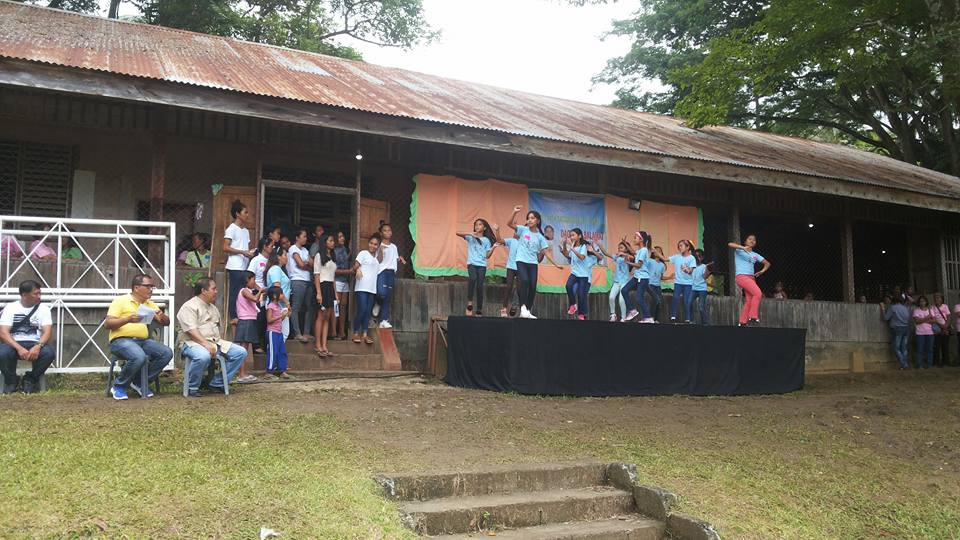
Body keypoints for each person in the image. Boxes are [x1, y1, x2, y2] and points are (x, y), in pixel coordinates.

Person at [104, 273, 173, 400]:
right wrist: (127, 319)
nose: (151, 289)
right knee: (138, 356)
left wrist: (162, 316)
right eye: (147, 286)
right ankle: (119, 386)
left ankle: (139, 382)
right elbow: (108, 324)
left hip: (143, 341)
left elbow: (166, 323)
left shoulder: (149, 304)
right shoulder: (120, 301)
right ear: (136, 288)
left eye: (152, 287)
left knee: (166, 353)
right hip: (121, 341)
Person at [177, 277, 247, 397]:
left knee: (240, 352)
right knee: (203, 356)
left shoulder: (213, 308)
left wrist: (214, 344)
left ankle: (217, 383)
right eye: (213, 289)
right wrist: (206, 344)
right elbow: (190, 330)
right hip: (191, 343)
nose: (216, 291)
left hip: (214, 342)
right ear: (204, 291)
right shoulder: (189, 306)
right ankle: (192, 386)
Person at [0, 280, 54, 394]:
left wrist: (38, 346)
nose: (39, 296)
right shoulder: (10, 308)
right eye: (36, 293)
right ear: (24, 295)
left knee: (49, 353)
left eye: (40, 293)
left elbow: (47, 332)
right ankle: (11, 381)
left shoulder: (44, 309)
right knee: (3, 353)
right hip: (14, 343)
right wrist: (19, 348)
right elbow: (3, 333)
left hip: (34, 343)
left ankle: (30, 380)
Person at [507, 205, 555, 319]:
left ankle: (527, 310)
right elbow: (509, 224)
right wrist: (514, 212)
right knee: (525, 280)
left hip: (533, 263)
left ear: (538, 221)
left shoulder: (540, 237)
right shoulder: (523, 230)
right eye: (528, 218)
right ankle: (523, 307)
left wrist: (555, 264)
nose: (529, 220)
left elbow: (546, 251)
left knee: (533, 286)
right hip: (521, 260)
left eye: (532, 218)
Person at [456, 218, 499, 317]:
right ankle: (470, 304)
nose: (477, 226)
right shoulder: (470, 237)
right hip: (471, 263)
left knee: (480, 285)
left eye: (480, 224)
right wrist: (470, 233)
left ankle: (479, 309)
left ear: (484, 228)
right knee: (473, 278)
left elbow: (487, 256)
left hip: (482, 265)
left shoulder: (487, 240)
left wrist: (493, 247)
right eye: (476, 225)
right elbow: (457, 233)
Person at [223, 200, 255, 323]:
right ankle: (234, 316)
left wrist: (249, 252)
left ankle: (242, 314)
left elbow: (244, 248)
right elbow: (225, 247)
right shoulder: (231, 229)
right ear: (237, 214)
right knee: (235, 291)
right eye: (245, 212)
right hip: (235, 265)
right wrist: (243, 252)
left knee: (243, 291)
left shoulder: (246, 231)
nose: (247, 215)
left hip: (244, 265)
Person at [728, 234, 771, 326]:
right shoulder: (739, 250)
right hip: (742, 276)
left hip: (751, 278)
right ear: (745, 241)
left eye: (754, 240)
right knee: (758, 293)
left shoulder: (755, 255)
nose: (752, 241)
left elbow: (767, 263)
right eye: (750, 239)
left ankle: (742, 322)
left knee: (749, 299)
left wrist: (762, 271)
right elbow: (730, 244)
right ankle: (753, 316)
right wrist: (742, 247)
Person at [560, 228, 598, 320]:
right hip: (574, 273)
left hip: (583, 275)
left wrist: (573, 249)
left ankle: (581, 314)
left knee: (581, 294)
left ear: (579, 236)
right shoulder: (573, 246)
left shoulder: (583, 246)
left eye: (573, 235)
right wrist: (565, 244)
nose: (571, 237)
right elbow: (566, 254)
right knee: (568, 286)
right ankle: (573, 304)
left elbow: (582, 257)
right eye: (570, 236)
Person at [375, 223, 407, 328]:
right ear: (381, 233)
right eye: (385, 230)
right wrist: (381, 251)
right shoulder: (378, 245)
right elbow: (377, 260)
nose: (388, 232)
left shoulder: (394, 247)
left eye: (389, 230)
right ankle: (378, 303)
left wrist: (400, 258)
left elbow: (395, 257)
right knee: (381, 293)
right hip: (382, 272)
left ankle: (383, 321)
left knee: (388, 297)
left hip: (391, 273)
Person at [246, 235, 274, 354]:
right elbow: (250, 277)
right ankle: (256, 345)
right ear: (264, 247)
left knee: (267, 319)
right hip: (258, 293)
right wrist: (260, 289)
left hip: (268, 293)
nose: (273, 248)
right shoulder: (256, 260)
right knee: (259, 318)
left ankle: (265, 344)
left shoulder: (271, 261)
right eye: (271, 246)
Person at [233, 271, 262, 383]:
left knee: (245, 348)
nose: (254, 282)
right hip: (246, 321)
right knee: (243, 349)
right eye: (253, 280)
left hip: (249, 320)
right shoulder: (244, 290)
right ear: (247, 280)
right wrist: (259, 290)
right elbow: (255, 299)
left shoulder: (247, 290)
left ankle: (243, 373)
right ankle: (241, 374)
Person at [286, 228, 314, 343]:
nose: (306, 238)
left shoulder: (305, 250)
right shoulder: (293, 248)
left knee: (310, 307)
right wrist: (306, 264)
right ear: (297, 238)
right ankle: (297, 333)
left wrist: (306, 264)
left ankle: (306, 332)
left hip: (307, 280)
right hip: (297, 280)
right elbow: (301, 264)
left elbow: (311, 264)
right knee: (296, 307)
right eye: (304, 236)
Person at [621, 231, 655, 324]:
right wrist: (624, 243)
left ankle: (648, 317)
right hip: (637, 277)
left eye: (635, 237)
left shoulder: (644, 250)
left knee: (639, 297)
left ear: (641, 240)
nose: (634, 239)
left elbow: (639, 265)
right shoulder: (640, 250)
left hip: (642, 278)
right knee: (624, 290)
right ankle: (632, 310)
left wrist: (628, 263)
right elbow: (632, 252)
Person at [353, 235, 381, 344]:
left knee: (368, 312)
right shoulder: (363, 253)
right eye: (371, 243)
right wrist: (358, 269)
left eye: (375, 244)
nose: (373, 246)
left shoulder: (376, 259)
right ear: (368, 243)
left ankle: (365, 334)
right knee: (362, 309)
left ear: (378, 246)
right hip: (361, 287)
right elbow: (355, 266)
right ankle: (355, 332)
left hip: (372, 289)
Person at [313, 234, 338, 357]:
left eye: (333, 241)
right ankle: (318, 344)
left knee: (327, 316)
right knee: (321, 316)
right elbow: (317, 275)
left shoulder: (332, 256)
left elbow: (333, 277)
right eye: (330, 240)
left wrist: (336, 294)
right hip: (322, 286)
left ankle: (324, 345)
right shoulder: (319, 255)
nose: (333, 242)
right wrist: (318, 293)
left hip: (330, 287)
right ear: (325, 242)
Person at [597, 241, 631, 322]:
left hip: (624, 282)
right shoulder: (616, 257)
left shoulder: (628, 257)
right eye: (619, 248)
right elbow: (605, 253)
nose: (619, 249)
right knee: (611, 297)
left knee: (621, 300)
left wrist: (624, 254)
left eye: (621, 248)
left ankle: (623, 317)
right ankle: (613, 314)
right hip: (616, 281)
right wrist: (600, 244)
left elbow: (629, 257)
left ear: (626, 249)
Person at [668, 239, 698, 323]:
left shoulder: (691, 258)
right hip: (678, 282)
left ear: (688, 247)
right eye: (679, 246)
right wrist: (656, 252)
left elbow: (691, 271)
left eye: (681, 245)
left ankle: (688, 318)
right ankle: (673, 316)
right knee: (675, 298)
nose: (679, 247)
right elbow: (666, 259)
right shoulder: (677, 257)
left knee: (686, 300)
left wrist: (686, 270)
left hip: (688, 283)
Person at [264, 286, 291, 379]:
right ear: (275, 296)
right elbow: (269, 320)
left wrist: (285, 314)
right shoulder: (270, 306)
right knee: (273, 351)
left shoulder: (278, 306)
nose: (283, 295)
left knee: (282, 351)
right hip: (272, 332)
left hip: (279, 332)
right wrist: (280, 316)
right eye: (281, 293)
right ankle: (269, 371)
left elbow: (280, 319)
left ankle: (282, 370)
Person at [266, 246, 292, 340]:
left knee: (283, 332)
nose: (287, 257)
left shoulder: (279, 269)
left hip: (280, 305)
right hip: (278, 306)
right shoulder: (276, 269)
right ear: (278, 257)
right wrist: (287, 303)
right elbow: (277, 288)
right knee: (281, 332)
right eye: (285, 255)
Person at [881, 295, 911, 369]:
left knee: (896, 348)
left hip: (897, 328)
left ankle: (904, 364)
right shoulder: (905, 308)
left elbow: (885, 318)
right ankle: (905, 363)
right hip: (906, 328)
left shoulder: (892, 308)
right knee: (903, 348)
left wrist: (883, 309)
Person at [333, 231, 352, 340]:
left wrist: (351, 250)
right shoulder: (334, 251)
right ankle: (334, 332)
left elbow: (345, 260)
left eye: (343, 236)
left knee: (343, 307)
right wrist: (349, 271)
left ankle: (341, 332)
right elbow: (335, 270)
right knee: (337, 307)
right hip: (338, 281)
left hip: (345, 281)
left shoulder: (344, 249)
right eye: (339, 236)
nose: (342, 238)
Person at [499, 231, 522, 318]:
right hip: (511, 267)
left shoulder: (524, 242)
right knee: (509, 287)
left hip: (521, 268)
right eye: (514, 231)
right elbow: (500, 240)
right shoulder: (512, 241)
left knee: (520, 288)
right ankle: (504, 308)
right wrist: (498, 231)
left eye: (517, 232)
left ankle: (516, 307)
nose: (514, 233)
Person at [913, 295, 939, 369]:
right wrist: (927, 318)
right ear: (919, 302)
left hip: (930, 332)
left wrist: (923, 320)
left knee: (930, 350)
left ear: (926, 302)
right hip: (920, 333)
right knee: (920, 350)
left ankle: (929, 365)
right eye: (920, 301)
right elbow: (917, 321)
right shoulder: (916, 310)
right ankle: (919, 365)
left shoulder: (930, 310)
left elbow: (934, 320)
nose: (922, 303)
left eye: (923, 301)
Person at [691, 249, 713, 325]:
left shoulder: (704, 266)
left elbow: (705, 277)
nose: (697, 258)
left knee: (701, 307)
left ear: (702, 258)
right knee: (688, 302)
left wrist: (708, 270)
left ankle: (705, 323)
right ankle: (691, 320)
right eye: (696, 257)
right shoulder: (691, 266)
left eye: (699, 257)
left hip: (702, 289)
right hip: (693, 288)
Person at [646, 246, 666, 321]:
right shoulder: (650, 261)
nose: (657, 252)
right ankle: (650, 318)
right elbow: (645, 260)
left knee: (659, 302)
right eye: (656, 251)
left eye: (659, 251)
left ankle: (655, 319)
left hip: (658, 286)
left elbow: (661, 277)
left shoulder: (662, 265)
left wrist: (670, 277)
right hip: (650, 284)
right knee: (655, 300)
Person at [932, 293, 951, 367]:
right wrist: (941, 326)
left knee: (945, 346)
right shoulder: (932, 307)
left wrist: (945, 326)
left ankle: (945, 363)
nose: (937, 299)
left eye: (938, 297)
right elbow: (934, 319)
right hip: (937, 329)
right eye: (935, 297)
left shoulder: (945, 306)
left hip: (945, 328)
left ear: (942, 298)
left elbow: (948, 317)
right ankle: (936, 363)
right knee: (937, 346)